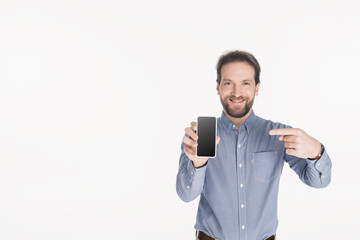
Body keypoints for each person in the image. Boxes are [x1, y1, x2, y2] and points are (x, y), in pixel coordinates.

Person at [176, 50, 332, 240]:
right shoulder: (201, 136)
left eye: (245, 83)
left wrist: (316, 152)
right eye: (228, 83)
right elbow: (186, 195)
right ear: (218, 87)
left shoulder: (279, 135)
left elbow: (319, 181)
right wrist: (198, 164)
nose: (236, 92)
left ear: (257, 88)